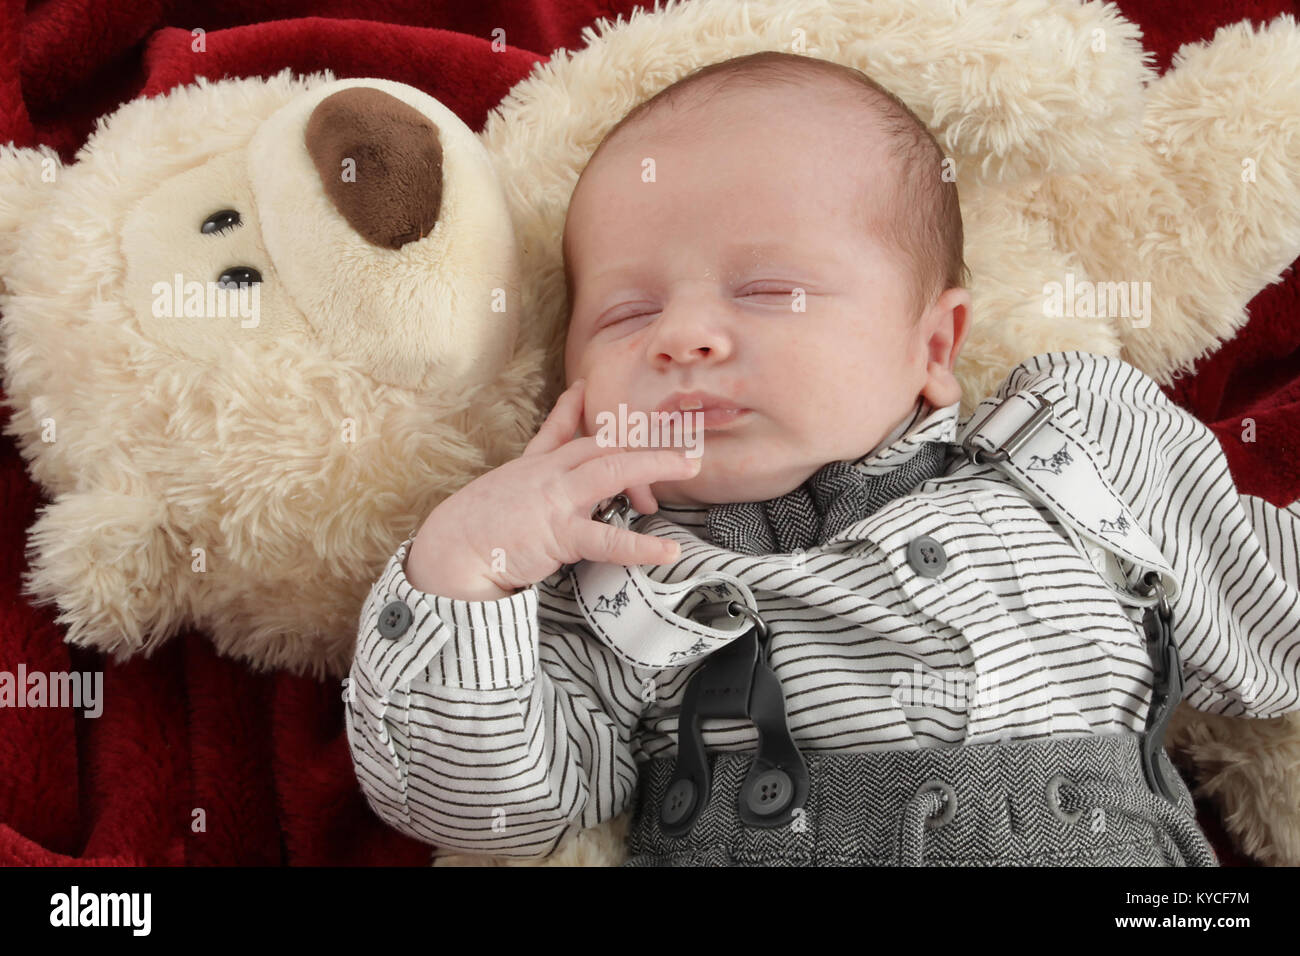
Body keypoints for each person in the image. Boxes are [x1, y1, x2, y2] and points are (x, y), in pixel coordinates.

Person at [345, 51, 1300, 865]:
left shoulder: (1071, 466)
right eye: (625, 315)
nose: (682, 338)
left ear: (933, 347)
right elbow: (485, 808)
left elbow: (1273, 618)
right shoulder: (614, 583)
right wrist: (469, 567)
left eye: (766, 290)